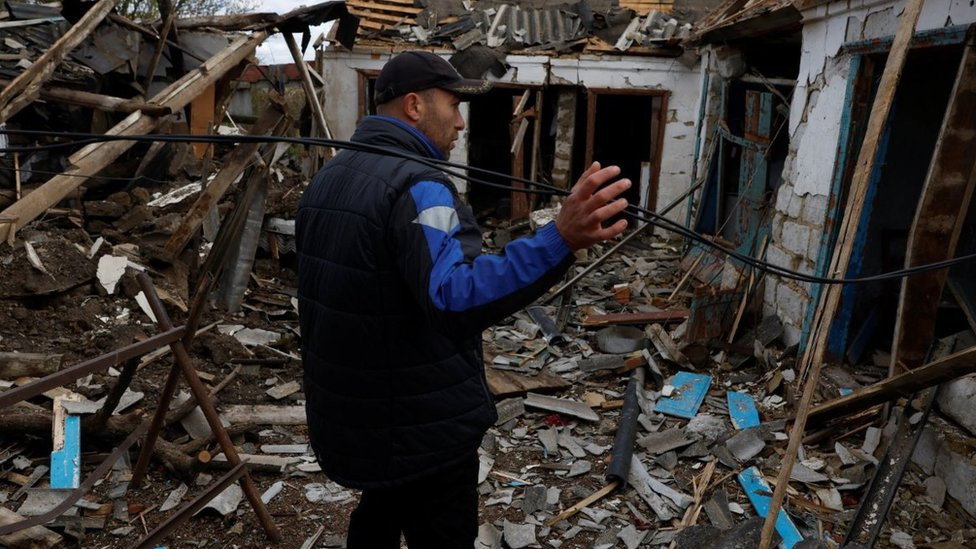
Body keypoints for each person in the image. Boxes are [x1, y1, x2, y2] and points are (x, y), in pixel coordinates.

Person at [296, 51, 631, 549]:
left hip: (356, 418)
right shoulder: (420, 187)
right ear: (414, 106)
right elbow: (455, 297)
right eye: (453, 106)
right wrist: (557, 238)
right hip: (420, 429)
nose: (459, 122)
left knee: (380, 514)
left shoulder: (330, 178)